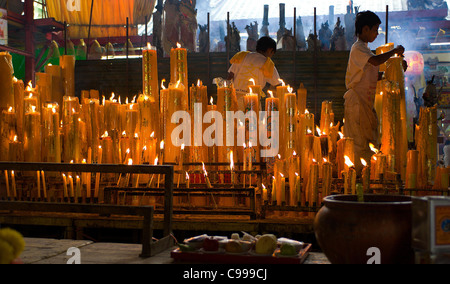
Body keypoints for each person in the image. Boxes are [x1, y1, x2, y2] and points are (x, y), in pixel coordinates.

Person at [344, 11, 406, 175]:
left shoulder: (364, 50)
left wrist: (394, 71)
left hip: (365, 104)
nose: (377, 34)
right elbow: (376, 61)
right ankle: (358, 176)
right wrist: (393, 52)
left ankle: (367, 175)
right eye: (375, 30)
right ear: (365, 29)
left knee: (368, 138)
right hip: (356, 102)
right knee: (358, 142)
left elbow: (372, 75)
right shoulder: (358, 49)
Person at [227, 36, 281, 111]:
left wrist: (228, 96)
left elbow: (230, 76)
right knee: (253, 121)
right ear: (270, 50)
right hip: (253, 101)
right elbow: (278, 85)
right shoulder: (268, 64)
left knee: (235, 121)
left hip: (235, 98)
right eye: (272, 53)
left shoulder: (242, 56)